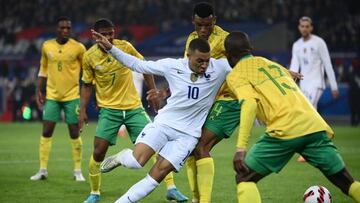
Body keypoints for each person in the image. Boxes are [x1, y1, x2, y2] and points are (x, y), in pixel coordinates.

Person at [92, 29, 231, 203]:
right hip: (165, 124)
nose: (204, 65)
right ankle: (122, 157)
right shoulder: (172, 66)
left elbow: (245, 62)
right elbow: (137, 64)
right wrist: (111, 48)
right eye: (199, 61)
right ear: (188, 55)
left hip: (188, 135)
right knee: (136, 162)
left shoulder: (219, 67)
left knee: (156, 176)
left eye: (207, 61)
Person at [224, 31, 360, 203]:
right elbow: (284, 75)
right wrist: (289, 75)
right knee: (346, 182)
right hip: (313, 125)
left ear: (228, 56)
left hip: (284, 129)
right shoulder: (268, 63)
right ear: (251, 49)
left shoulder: (236, 75)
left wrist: (240, 148)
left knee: (244, 178)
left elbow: (249, 104)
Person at [80, 19, 185, 203]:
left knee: (157, 146)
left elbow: (145, 67)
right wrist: (82, 110)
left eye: (111, 33)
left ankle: (171, 188)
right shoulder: (89, 57)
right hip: (109, 110)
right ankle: (94, 192)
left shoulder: (125, 47)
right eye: (104, 34)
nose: (109, 37)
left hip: (133, 108)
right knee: (98, 151)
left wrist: (152, 92)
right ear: (94, 35)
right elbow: (87, 85)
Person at [30, 16, 86, 182]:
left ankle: (77, 171)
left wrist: (86, 93)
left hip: (72, 96)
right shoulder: (47, 46)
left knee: (74, 132)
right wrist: (38, 90)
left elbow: (87, 72)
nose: (65, 31)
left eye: (68, 28)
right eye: (62, 28)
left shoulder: (78, 48)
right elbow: (43, 69)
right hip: (52, 96)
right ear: (57, 29)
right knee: (46, 131)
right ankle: (42, 170)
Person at [289, 16, 339, 162]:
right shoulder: (297, 45)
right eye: (302, 26)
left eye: (307, 26)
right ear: (299, 27)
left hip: (316, 83)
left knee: (309, 112)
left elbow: (327, 63)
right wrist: (290, 85)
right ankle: (323, 144)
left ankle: (306, 150)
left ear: (311, 27)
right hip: (303, 85)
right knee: (308, 114)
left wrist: (334, 86)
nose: (304, 28)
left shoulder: (319, 42)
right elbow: (294, 66)